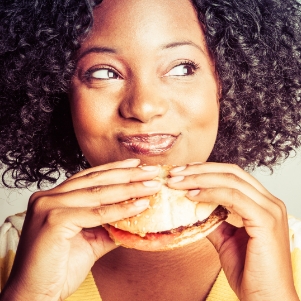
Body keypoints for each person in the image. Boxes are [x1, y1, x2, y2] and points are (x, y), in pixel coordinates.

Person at [0, 0, 301, 300]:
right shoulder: (12, 250)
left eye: (182, 68)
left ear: (228, 80)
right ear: (57, 90)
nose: (144, 107)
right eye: (104, 73)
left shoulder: (290, 251)